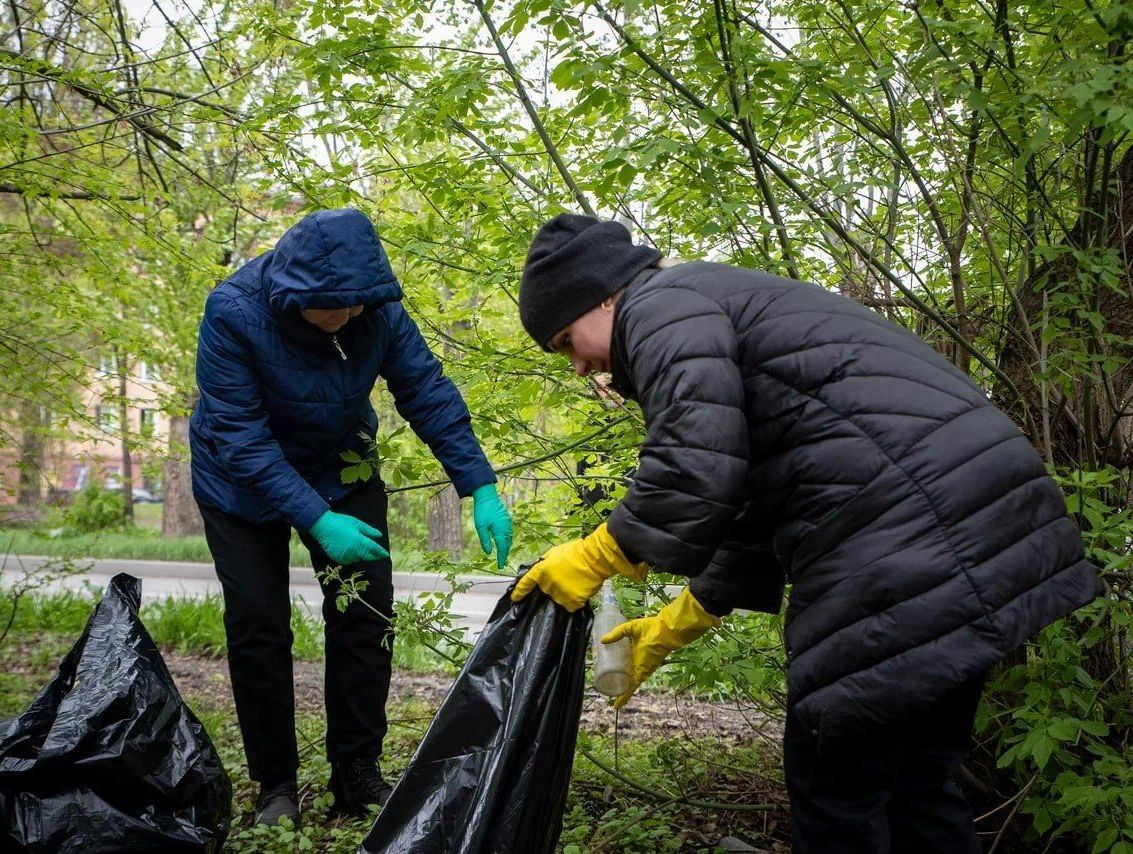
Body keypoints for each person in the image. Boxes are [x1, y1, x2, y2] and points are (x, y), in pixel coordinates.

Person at [511, 213, 1099, 852]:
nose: (575, 365)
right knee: (914, 782)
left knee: (836, 787)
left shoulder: (660, 307)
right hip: (978, 516)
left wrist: (599, 555)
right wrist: (680, 621)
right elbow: (749, 488)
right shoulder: (715, 300)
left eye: (567, 341)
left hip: (903, 531)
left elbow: (692, 459)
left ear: (603, 294)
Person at [190, 208, 512, 826]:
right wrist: (316, 519)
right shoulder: (233, 311)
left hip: (342, 465)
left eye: (355, 304)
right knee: (259, 622)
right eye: (330, 307)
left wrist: (479, 484)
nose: (346, 316)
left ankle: (357, 772)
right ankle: (276, 783)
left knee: (365, 613)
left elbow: (426, 390)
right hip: (240, 480)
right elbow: (240, 434)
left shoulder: (377, 308)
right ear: (293, 294)